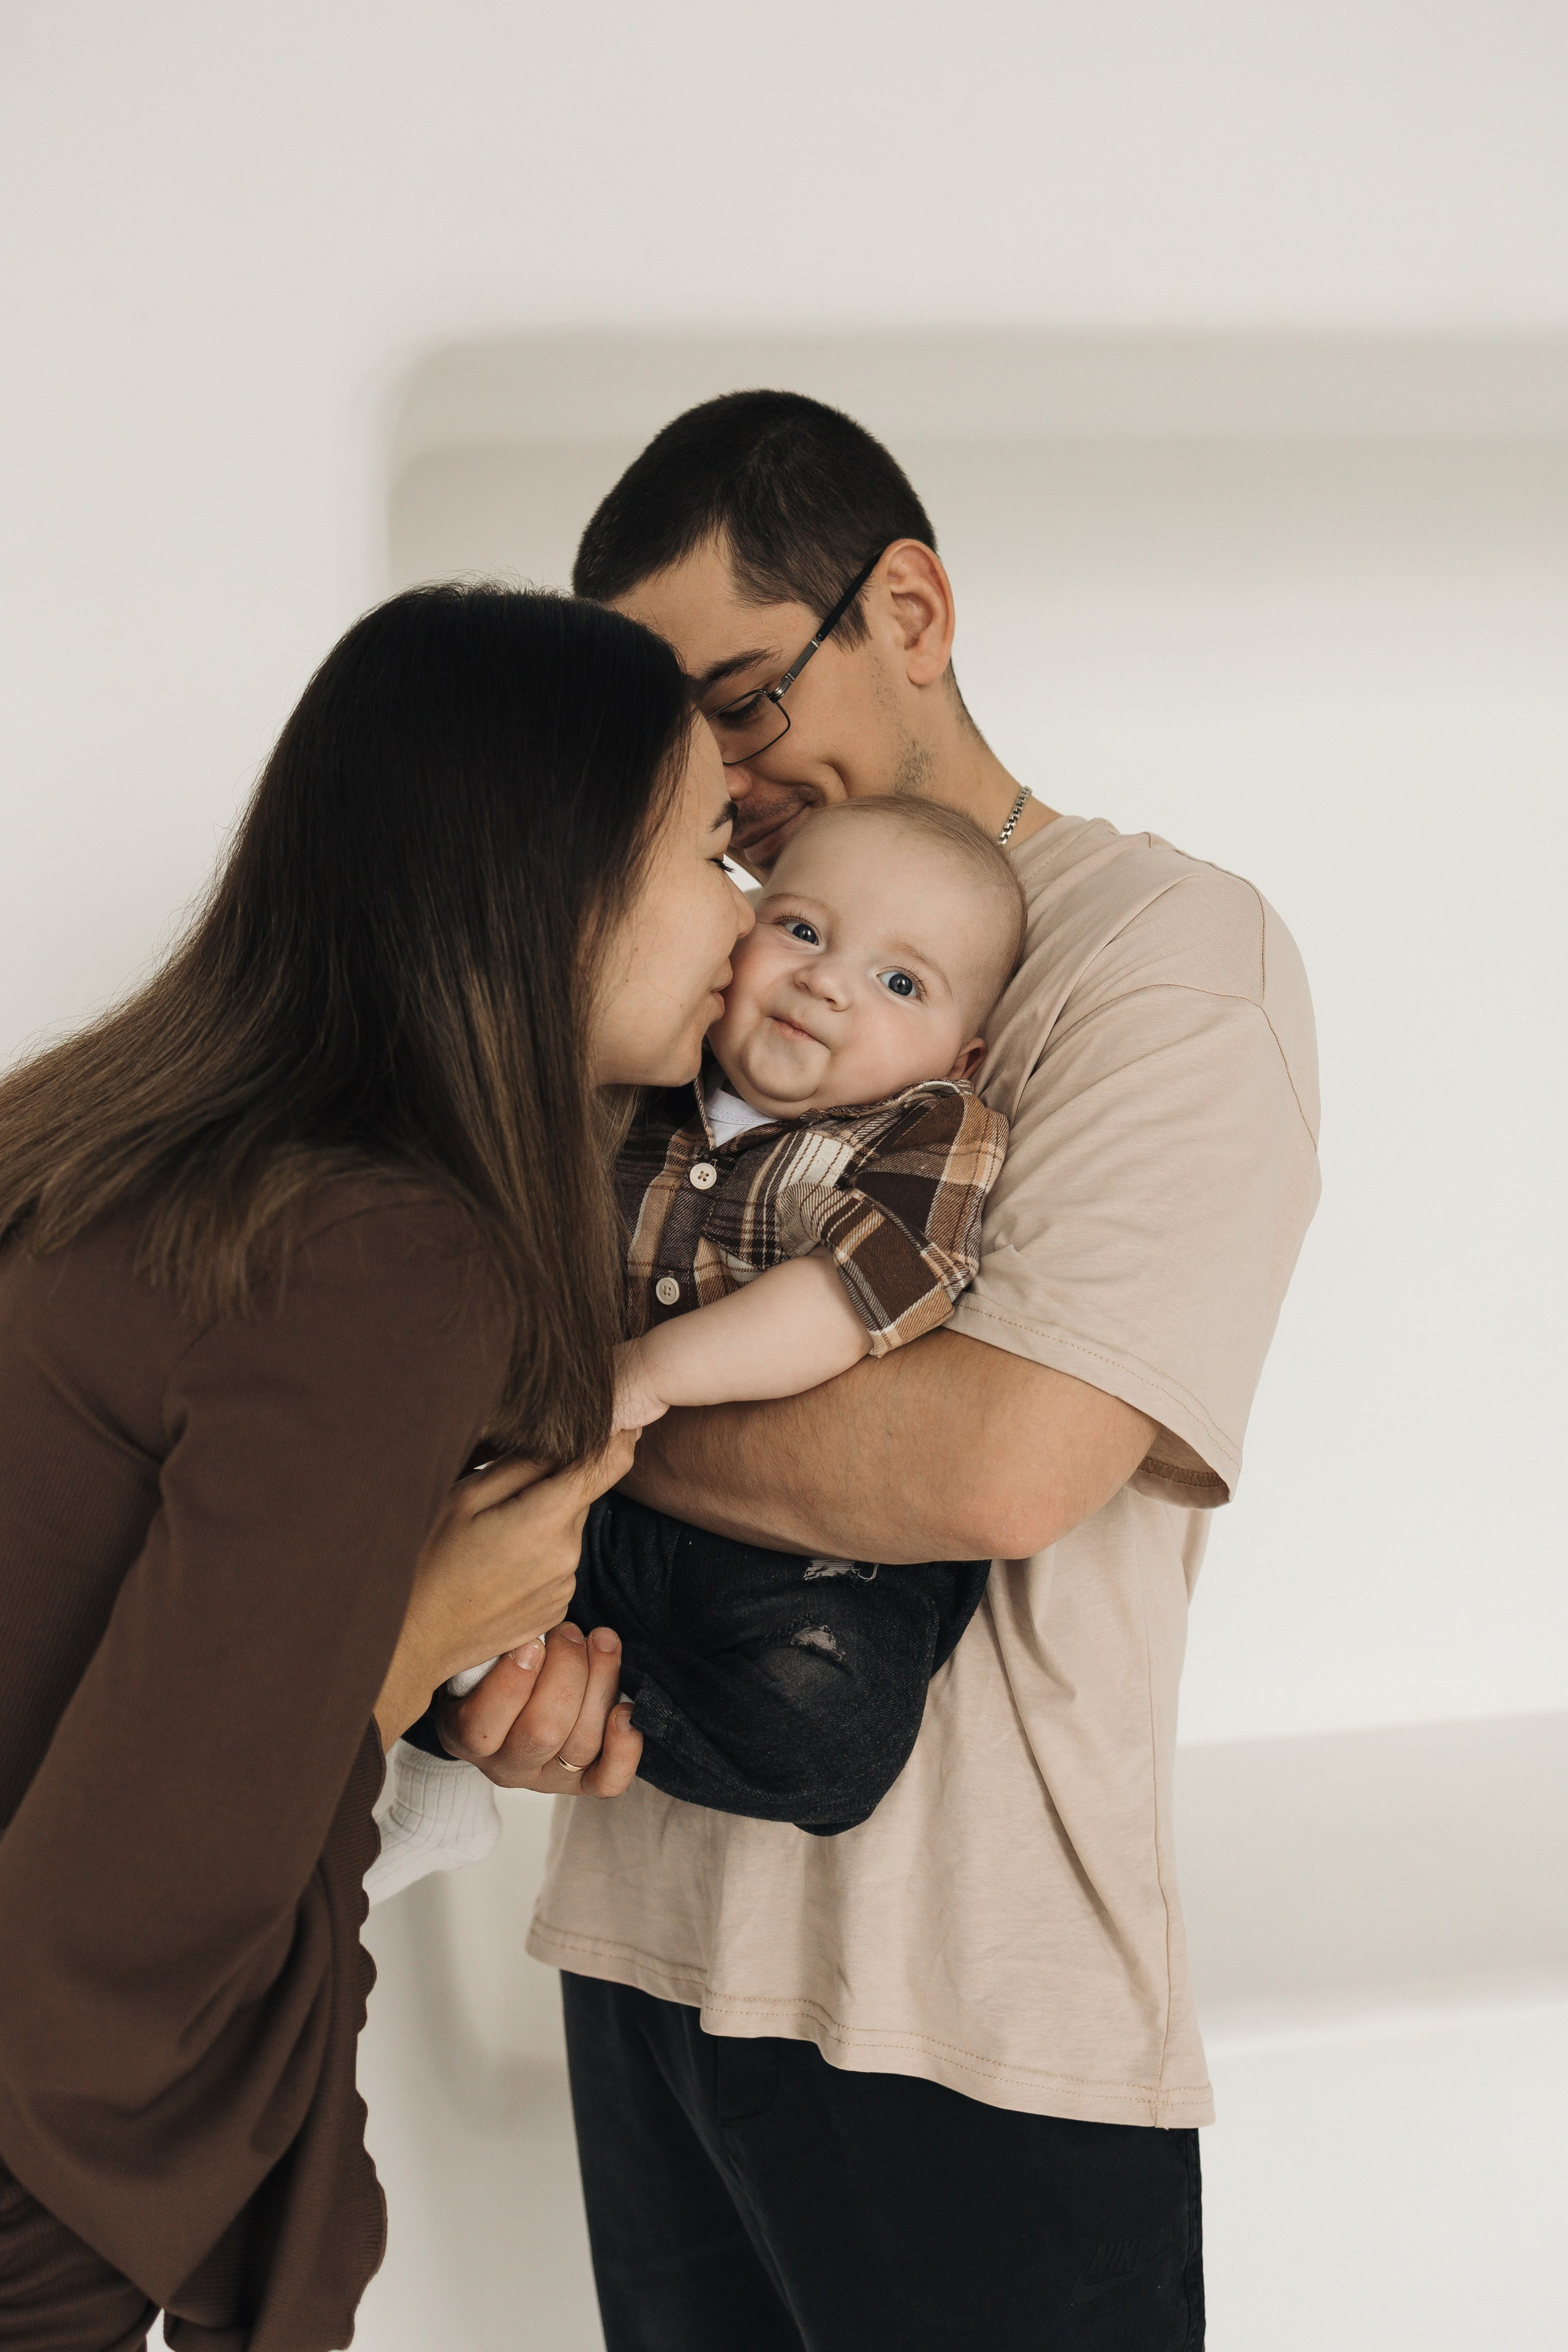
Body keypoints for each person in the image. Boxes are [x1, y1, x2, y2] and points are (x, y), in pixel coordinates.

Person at [445, 394, 1321, 2351]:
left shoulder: (1163, 956)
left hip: (972, 2020)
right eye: (673, 741)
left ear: (908, 606)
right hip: (642, 1944)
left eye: (740, 701)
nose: (722, 780)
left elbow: (1008, 1460)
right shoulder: (710, 955)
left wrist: (578, 1415)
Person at [0, 584, 752, 2351]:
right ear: (550, 880)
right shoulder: (386, 1260)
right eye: (709, 850)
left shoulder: (121, 1141)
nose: (749, 913)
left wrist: (403, 1697)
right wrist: (405, 1652)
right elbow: (125, 1936)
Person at [396, 793, 1020, 1855]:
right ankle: (454, 1740)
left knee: (827, 1728)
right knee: (404, 1549)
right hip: (596, 1501)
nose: (826, 981)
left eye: (899, 981)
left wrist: (640, 1376)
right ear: (739, 927)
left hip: (802, 1558)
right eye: (803, 931)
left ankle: (579, 1694)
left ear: (957, 1057)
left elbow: (843, 1298)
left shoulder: (926, 1129)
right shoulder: (650, 1078)